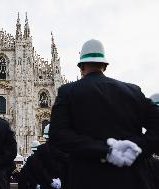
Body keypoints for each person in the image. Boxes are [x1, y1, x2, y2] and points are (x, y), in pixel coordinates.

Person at [49, 39, 159, 189]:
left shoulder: (68, 92)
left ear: (81, 67)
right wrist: (137, 148)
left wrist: (106, 151)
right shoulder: (133, 91)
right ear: (104, 66)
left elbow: (57, 135)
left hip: (87, 180)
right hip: (133, 180)